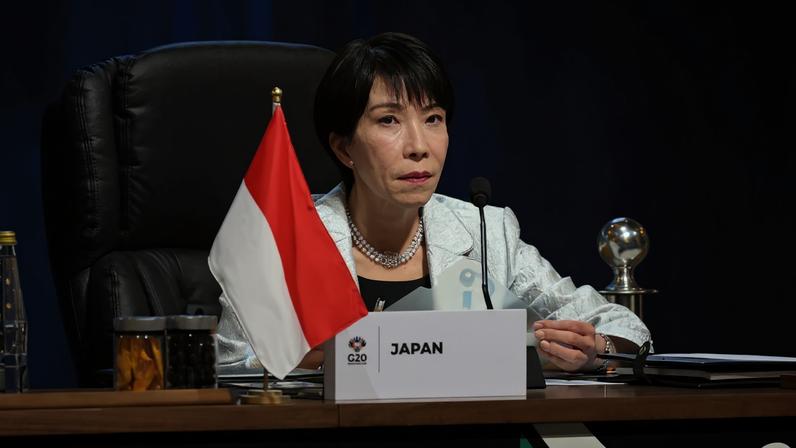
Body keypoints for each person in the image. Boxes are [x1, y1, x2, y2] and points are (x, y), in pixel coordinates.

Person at [217, 32, 651, 373]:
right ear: (344, 147)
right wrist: (335, 358)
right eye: (389, 120)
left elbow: (626, 327)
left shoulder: (485, 231)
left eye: (433, 119)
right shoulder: (288, 236)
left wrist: (597, 348)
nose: (419, 145)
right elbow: (230, 364)